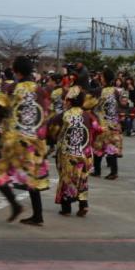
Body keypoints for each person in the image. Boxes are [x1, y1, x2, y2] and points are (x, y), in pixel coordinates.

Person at [0, 55, 50, 225]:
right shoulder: (40, 90)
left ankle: (15, 204)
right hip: (34, 140)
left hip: (14, 141)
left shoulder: (13, 88)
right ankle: (38, 215)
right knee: (31, 176)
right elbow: (45, 114)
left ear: (15, 71)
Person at [49, 86, 101, 216]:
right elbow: (97, 129)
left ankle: (66, 208)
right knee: (82, 178)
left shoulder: (63, 115)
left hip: (68, 154)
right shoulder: (88, 115)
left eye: (66, 100)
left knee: (66, 178)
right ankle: (83, 204)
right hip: (85, 152)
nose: (64, 102)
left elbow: (52, 130)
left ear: (70, 101)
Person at [91, 71, 127, 180]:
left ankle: (97, 171)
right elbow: (123, 104)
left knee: (98, 147)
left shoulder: (101, 91)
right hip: (114, 122)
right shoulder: (116, 91)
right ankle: (113, 172)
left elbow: (93, 104)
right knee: (111, 147)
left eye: (101, 77)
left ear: (104, 79)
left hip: (103, 123)